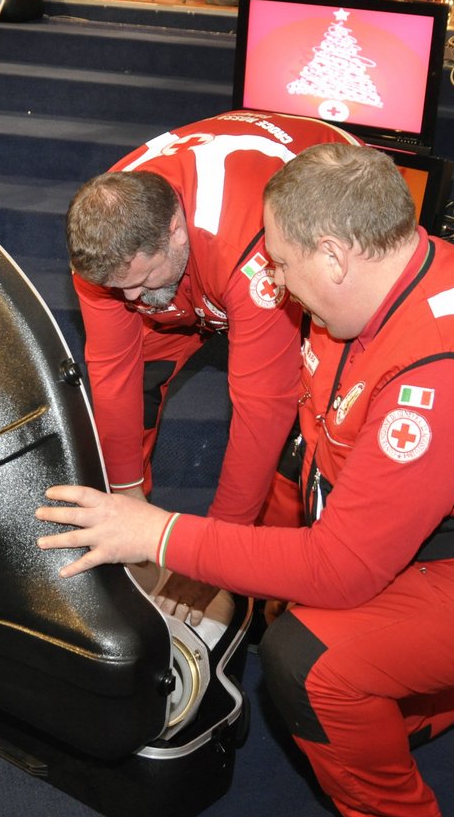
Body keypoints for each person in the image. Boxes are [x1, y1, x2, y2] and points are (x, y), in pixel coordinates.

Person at [38, 143, 454, 817]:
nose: (267, 281)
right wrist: (249, 562)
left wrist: (164, 534)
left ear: (333, 254)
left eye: (279, 261)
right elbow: (310, 452)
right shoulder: (364, 298)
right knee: (297, 613)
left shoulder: (446, 369)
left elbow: (342, 569)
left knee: (309, 664)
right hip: (434, 535)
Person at [64, 111, 361, 552]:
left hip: (316, 204)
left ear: (175, 232)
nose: (131, 301)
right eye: (118, 289)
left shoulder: (253, 257)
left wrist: (218, 550)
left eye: (141, 283)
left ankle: (276, 565)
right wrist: (126, 500)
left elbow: (263, 409)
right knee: (134, 377)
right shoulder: (105, 248)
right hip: (199, 268)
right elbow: (114, 374)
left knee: (306, 415)